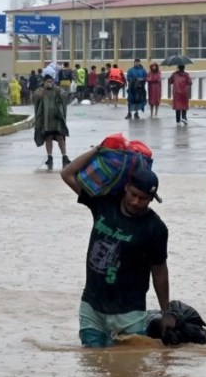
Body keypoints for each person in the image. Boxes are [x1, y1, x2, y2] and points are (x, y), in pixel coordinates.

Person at [60, 149, 173, 348]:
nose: (136, 202)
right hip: (92, 306)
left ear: (151, 199)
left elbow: (159, 270)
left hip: (129, 313)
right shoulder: (103, 204)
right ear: (126, 187)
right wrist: (98, 149)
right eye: (133, 195)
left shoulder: (155, 228)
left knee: (129, 372)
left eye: (143, 199)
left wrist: (166, 312)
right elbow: (67, 174)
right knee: (93, 368)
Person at [32, 75, 70, 170]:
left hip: (57, 118)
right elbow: (37, 98)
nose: (50, 83)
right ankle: (50, 157)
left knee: (60, 137)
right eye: (48, 81)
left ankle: (64, 156)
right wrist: (44, 88)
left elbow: (64, 97)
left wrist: (61, 91)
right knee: (48, 138)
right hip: (46, 120)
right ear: (44, 82)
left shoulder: (57, 89)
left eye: (51, 81)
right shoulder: (40, 90)